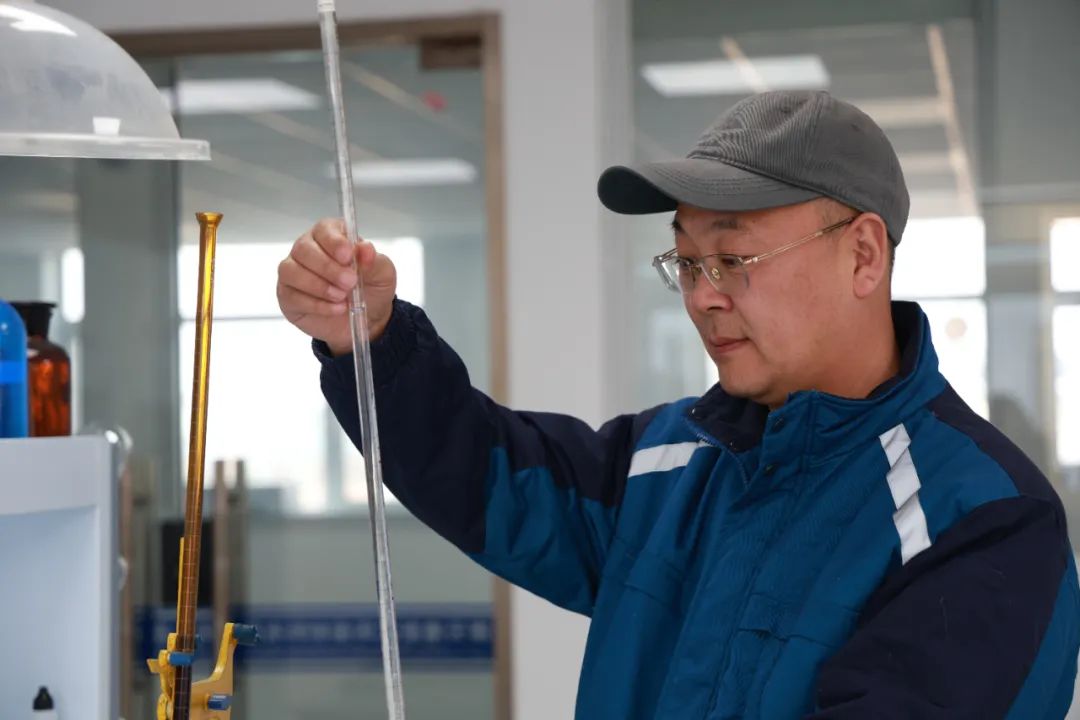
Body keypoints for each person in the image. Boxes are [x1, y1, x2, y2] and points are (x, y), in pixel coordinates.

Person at [277, 90, 1079, 718]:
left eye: (733, 258)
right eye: (687, 263)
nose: (702, 297)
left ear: (863, 255)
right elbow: (484, 473)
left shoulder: (983, 522)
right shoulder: (674, 458)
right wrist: (371, 340)